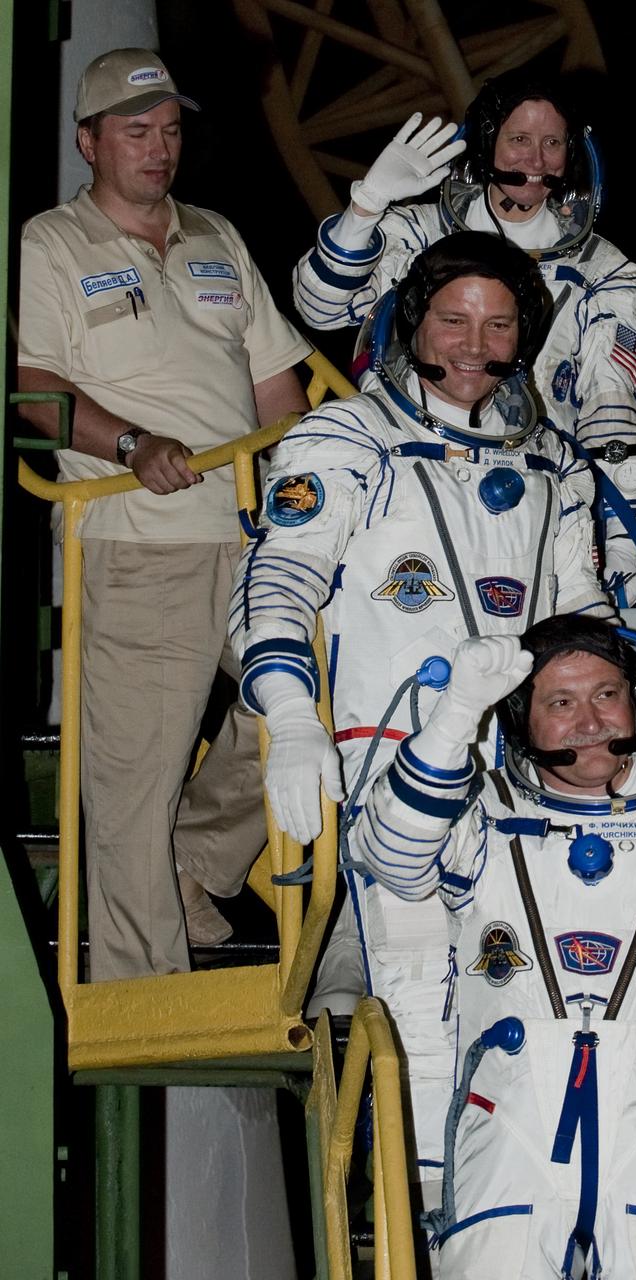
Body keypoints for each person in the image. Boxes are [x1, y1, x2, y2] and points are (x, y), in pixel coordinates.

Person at [228, 230, 614, 1207]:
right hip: (391, 770)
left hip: (532, 784)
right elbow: (277, 581)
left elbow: (588, 616)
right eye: (454, 317)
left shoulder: (553, 461)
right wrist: (290, 714)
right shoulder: (345, 439)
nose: (476, 341)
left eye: (499, 320)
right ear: (414, 324)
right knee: (428, 1026)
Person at [347, 615, 636, 1278]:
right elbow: (391, 858)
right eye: (558, 703)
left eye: (604, 694)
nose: (588, 721)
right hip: (507, 1126)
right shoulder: (480, 819)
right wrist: (455, 713)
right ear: (521, 722)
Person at [16, 47, 312, 979]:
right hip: (138, 541)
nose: (158, 148)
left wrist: (312, 507)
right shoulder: (51, 244)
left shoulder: (217, 235)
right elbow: (31, 381)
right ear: (89, 141)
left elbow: (279, 389)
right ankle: (145, 988)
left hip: (251, 538)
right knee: (133, 781)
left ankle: (198, 861)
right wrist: (130, 444)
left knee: (313, 705)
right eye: (136, 131)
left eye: (171, 130)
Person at [293, 70, 636, 608]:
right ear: (487, 145)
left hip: (539, 486)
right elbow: (319, 308)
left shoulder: (605, 271)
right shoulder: (418, 233)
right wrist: (366, 205)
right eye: (519, 140)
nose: (536, 161)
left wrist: (624, 542)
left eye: (552, 143)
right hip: (408, 474)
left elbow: (611, 405)